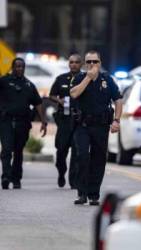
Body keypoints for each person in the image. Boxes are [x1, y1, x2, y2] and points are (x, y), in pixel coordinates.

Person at [70, 51, 122, 205]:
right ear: (85, 64)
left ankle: (94, 194)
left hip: (101, 125)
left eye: (95, 61)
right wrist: (88, 78)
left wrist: (116, 121)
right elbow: (73, 94)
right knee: (83, 156)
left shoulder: (107, 79)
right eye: (89, 62)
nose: (92, 64)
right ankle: (82, 193)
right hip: (83, 125)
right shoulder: (79, 78)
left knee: (99, 159)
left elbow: (118, 100)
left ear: (100, 63)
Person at [0, 57, 47, 189]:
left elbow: (38, 103)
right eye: (17, 66)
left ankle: (16, 179)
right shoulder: (4, 81)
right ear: (12, 67)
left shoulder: (29, 85)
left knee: (18, 151)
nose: (19, 68)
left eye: (22, 66)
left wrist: (43, 121)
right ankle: (5, 176)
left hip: (23, 123)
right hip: (6, 121)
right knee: (6, 150)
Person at [49, 53, 82, 188]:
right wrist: (59, 100)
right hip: (64, 119)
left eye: (76, 62)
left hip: (79, 119)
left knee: (76, 151)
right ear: (69, 64)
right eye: (71, 62)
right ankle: (61, 172)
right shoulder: (61, 79)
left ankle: (73, 181)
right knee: (61, 150)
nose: (73, 64)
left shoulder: (85, 79)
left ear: (81, 64)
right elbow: (51, 95)